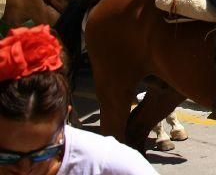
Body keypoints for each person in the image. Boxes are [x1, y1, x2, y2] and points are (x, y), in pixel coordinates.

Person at [0, 25, 157, 175]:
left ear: (65, 119)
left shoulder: (114, 165)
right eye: (6, 156)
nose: (24, 170)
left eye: (43, 153)